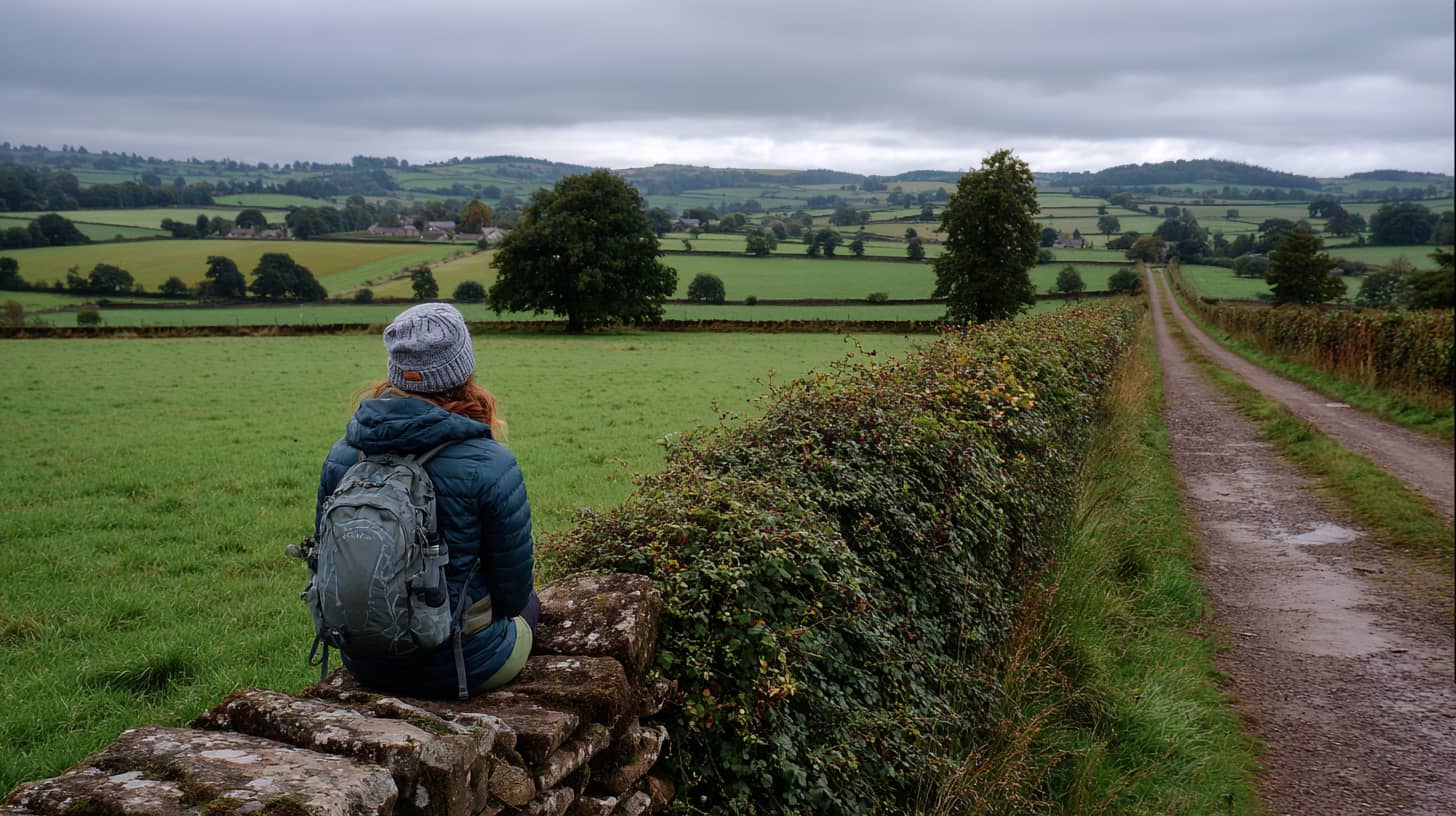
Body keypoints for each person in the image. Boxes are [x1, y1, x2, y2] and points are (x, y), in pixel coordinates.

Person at [315, 303, 537, 698]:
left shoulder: (344, 455)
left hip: (364, 661)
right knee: (532, 605)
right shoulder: (492, 464)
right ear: (463, 371)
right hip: (463, 668)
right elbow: (512, 594)